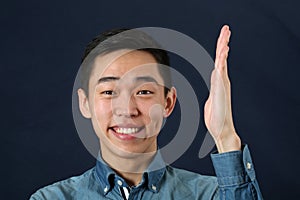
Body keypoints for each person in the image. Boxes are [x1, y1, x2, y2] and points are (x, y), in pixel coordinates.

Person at [30, 25, 263, 199]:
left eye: (143, 92)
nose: (127, 110)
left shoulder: (212, 194)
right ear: (85, 103)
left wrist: (225, 136)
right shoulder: (51, 198)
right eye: (109, 91)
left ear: (168, 103)